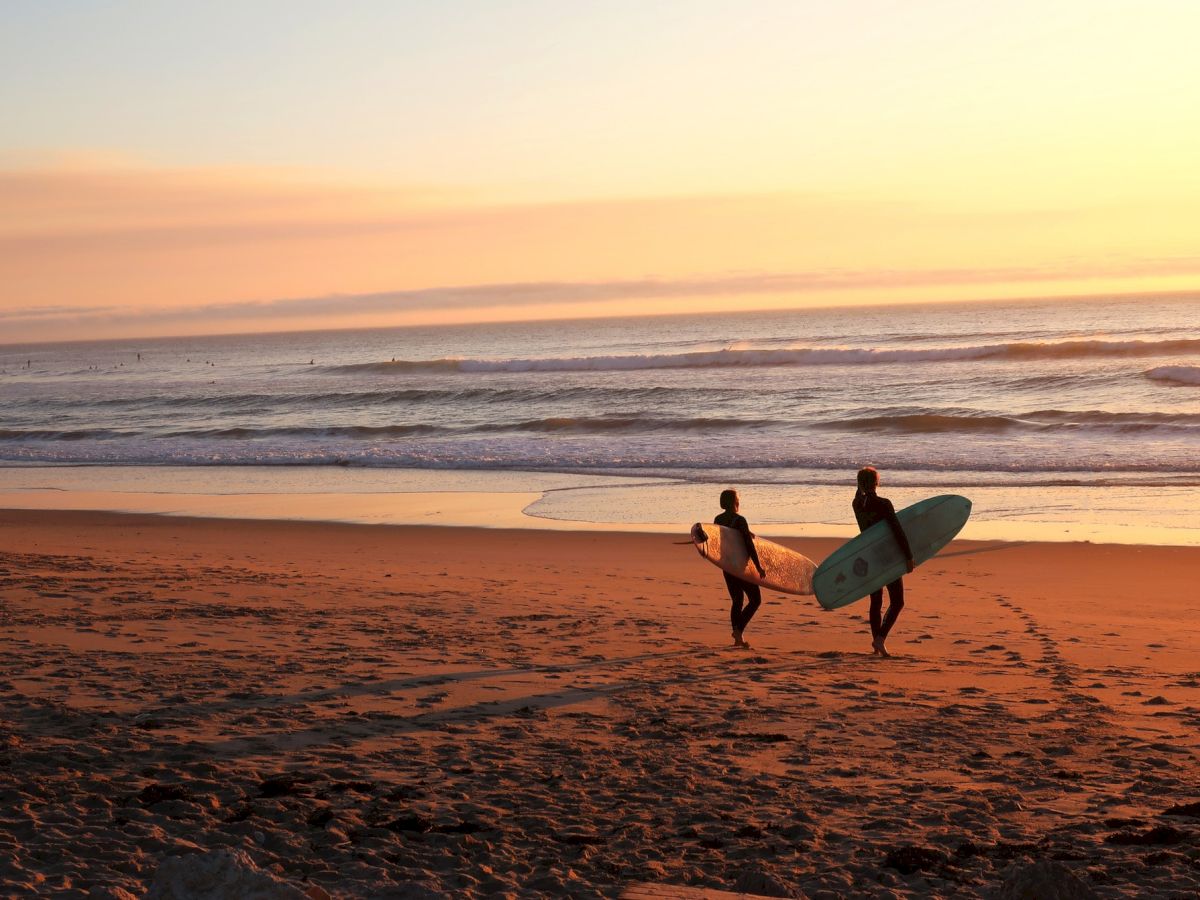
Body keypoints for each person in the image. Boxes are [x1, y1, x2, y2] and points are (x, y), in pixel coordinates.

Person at [852, 467, 914, 657]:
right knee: (897, 601)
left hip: (869, 556)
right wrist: (908, 556)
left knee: (876, 602)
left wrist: (859, 485)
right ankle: (880, 639)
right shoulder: (884, 503)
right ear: (876, 482)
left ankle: (876, 643)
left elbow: (859, 495)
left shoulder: (856, 504)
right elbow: (896, 530)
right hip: (887, 556)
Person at [714, 488, 766, 648]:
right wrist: (758, 566)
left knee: (737, 600)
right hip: (741, 566)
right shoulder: (740, 520)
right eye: (738, 499)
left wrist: (746, 531)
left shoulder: (718, 519)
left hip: (727, 565)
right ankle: (738, 630)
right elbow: (749, 545)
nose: (739, 501)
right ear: (734, 502)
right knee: (755, 600)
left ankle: (738, 639)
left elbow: (723, 539)